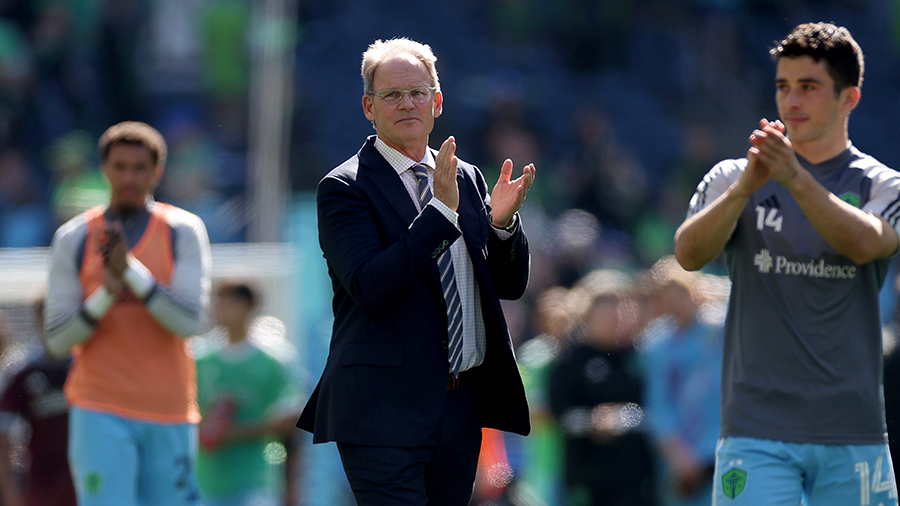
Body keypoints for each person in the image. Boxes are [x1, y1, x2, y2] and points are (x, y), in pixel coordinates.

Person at [296, 37, 536, 505]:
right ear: (369, 106)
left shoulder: (464, 176)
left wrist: (504, 226)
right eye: (391, 94)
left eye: (418, 92)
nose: (407, 103)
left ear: (437, 101)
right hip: (380, 408)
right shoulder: (344, 188)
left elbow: (508, 285)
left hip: (460, 405)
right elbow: (370, 286)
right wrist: (440, 215)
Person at [674, 22, 900, 505]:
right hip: (754, 433)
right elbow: (689, 255)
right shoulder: (734, 176)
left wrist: (794, 178)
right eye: (783, 87)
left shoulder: (883, 185)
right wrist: (744, 190)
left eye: (809, 87)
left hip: (852, 433)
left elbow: (865, 244)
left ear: (849, 98)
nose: (791, 101)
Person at [43, 121, 212, 506]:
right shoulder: (74, 237)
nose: (129, 177)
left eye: (139, 168)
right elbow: (57, 340)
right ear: (104, 169)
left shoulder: (182, 230)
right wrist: (107, 293)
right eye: (119, 166)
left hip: (169, 407)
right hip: (98, 406)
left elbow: (191, 322)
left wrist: (132, 272)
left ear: (158, 171)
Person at [549, 269, 657, 506]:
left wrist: (627, 417)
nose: (617, 315)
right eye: (608, 308)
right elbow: (562, 413)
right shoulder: (571, 360)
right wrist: (593, 421)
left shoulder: (642, 355)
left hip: (637, 479)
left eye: (621, 307)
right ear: (587, 313)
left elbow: (659, 409)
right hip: (589, 479)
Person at [195, 281, 304, 506]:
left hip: (257, 480)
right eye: (219, 301)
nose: (222, 308)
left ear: (249, 306)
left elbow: (292, 419)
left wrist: (234, 433)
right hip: (206, 482)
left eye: (231, 301)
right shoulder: (198, 358)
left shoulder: (274, 360)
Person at [638, 257, 723, 506]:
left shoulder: (721, 328)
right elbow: (657, 404)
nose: (675, 303)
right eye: (666, 296)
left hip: (721, 447)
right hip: (680, 460)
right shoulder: (654, 343)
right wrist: (678, 455)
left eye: (681, 293)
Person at [0, 297, 76, 506]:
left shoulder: (85, 365)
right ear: (38, 318)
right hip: (41, 479)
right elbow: (4, 434)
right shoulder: (20, 370)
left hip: (83, 475)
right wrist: (8, 489)